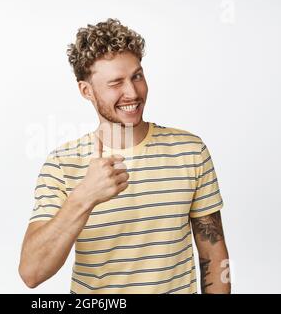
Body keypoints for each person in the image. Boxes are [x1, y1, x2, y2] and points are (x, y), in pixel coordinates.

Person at [18, 18, 230, 294]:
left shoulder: (190, 150)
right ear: (87, 90)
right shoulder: (62, 164)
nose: (132, 92)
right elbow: (31, 273)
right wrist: (84, 196)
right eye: (116, 82)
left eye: (137, 76)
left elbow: (213, 255)